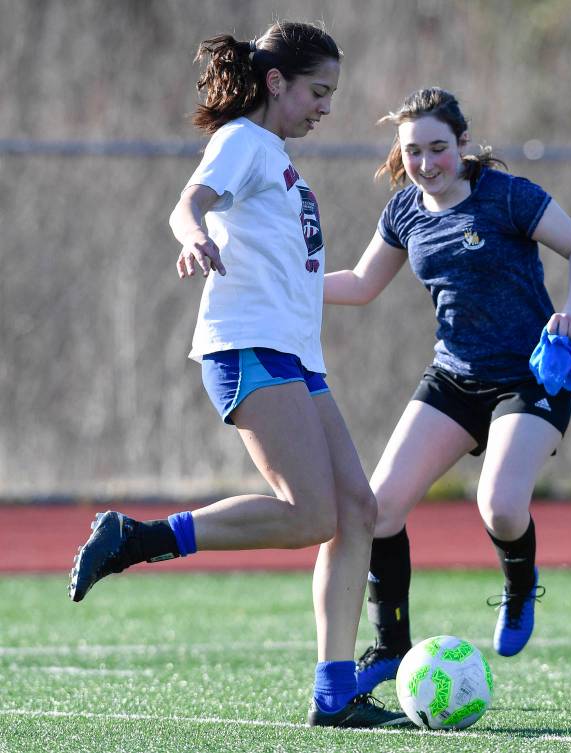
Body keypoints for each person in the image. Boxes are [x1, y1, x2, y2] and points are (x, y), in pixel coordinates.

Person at [67, 21, 411, 729]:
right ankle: (136, 536)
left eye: (333, 94)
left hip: (294, 356)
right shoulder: (243, 142)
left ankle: (335, 691)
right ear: (276, 82)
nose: (326, 107)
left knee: (359, 513)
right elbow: (188, 201)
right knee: (311, 514)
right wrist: (193, 232)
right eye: (318, 91)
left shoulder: (277, 157)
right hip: (246, 345)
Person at [322, 87, 571, 694]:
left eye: (438, 148)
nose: (427, 164)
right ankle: (391, 646)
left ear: (463, 143)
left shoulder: (507, 197)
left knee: (500, 506)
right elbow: (363, 284)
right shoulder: (403, 211)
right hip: (453, 377)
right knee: (377, 510)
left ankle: (520, 584)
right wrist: (284, 284)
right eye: (413, 152)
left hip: (528, 375)